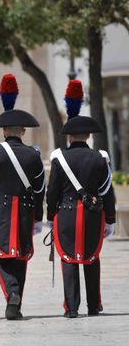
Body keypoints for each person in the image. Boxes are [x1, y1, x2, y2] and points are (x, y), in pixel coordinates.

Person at [46, 80, 116, 318]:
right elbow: (107, 191)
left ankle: (72, 307)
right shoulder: (99, 158)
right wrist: (111, 219)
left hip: (65, 214)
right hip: (92, 214)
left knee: (69, 259)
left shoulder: (59, 160)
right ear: (87, 135)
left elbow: (52, 192)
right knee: (92, 258)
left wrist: (49, 217)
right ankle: (94, 306)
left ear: (69, 136)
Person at [0, 74, 45, 320]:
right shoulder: (33, 155)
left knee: (1, 254)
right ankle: (16, 302)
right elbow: (40, 189)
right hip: (26, 210)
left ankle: (12, 295)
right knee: (21, 255)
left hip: (1, 210)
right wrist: (39, 216)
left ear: (4, 131)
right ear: (23, 131)